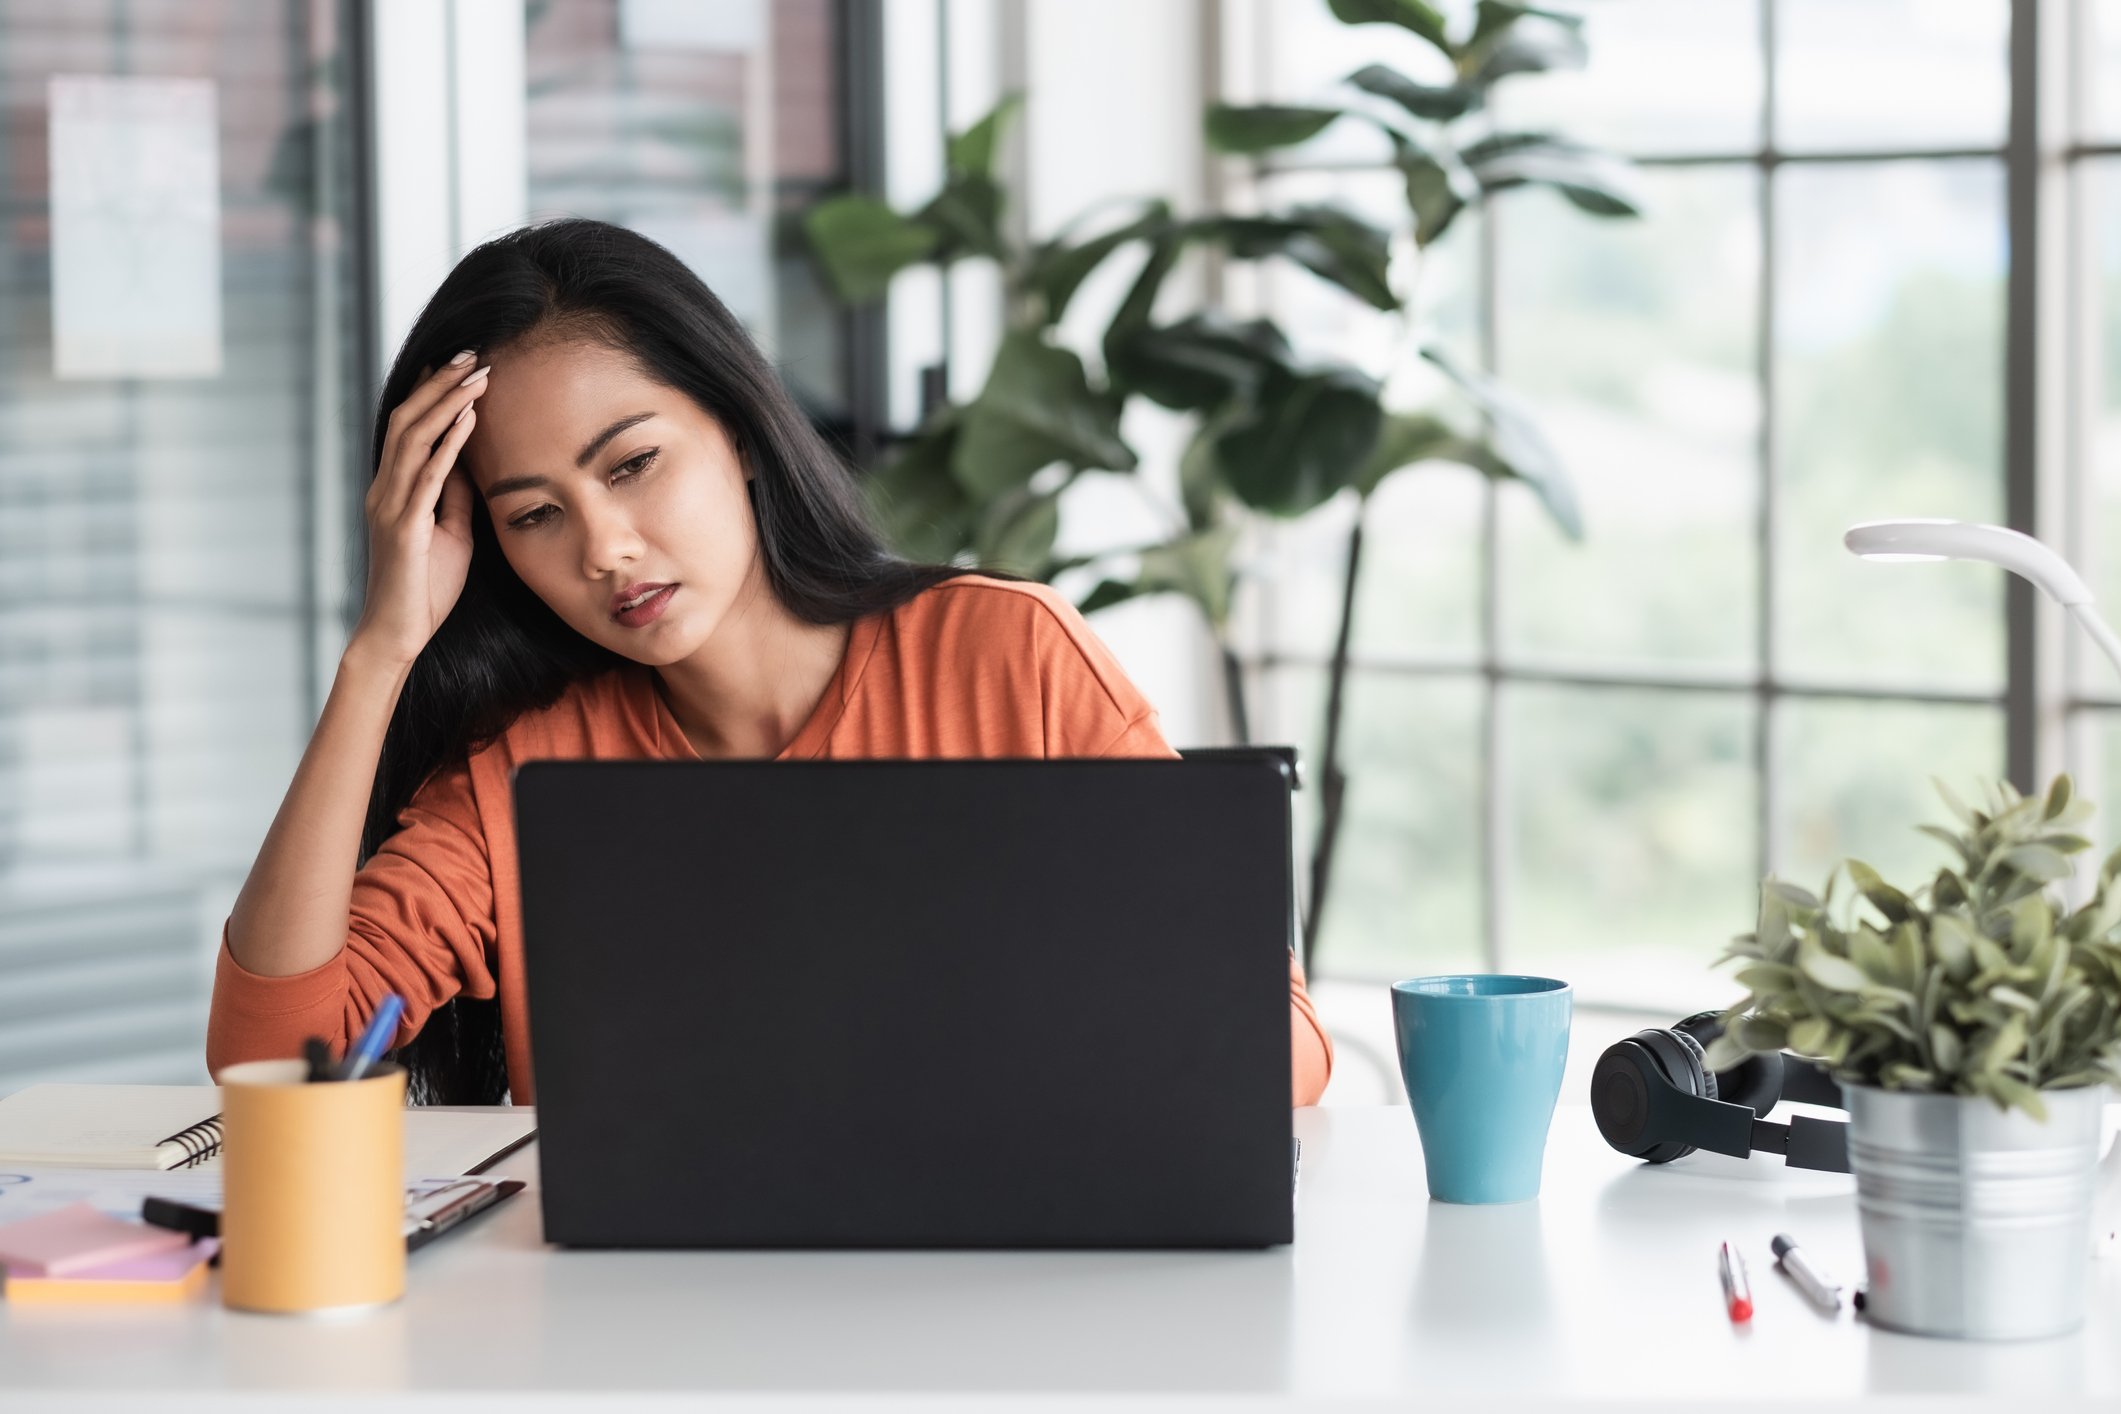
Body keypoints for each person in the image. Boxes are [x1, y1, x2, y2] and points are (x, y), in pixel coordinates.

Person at [204, 218, 1333, 1107]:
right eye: (535, 514)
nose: (607, 549)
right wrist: (380, 650)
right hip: (649, 1336)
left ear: (738, 426)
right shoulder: (527, 769)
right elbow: (274, 1062)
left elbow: (1277, 1052)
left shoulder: (1006, 655)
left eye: (635, 462)